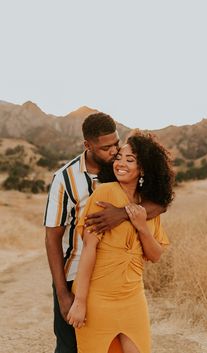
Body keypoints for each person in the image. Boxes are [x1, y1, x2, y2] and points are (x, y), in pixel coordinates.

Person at [44, 114, 166, 353]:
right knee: (69, 347)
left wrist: (121, 214)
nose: (114, 153)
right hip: (76, 274)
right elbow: (52, 237)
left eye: (117, 145)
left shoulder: (120, 170)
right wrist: (63, 295)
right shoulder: (65, 179)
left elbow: (159, 204)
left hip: (124, 285)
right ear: (87, 145)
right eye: (107, 148)